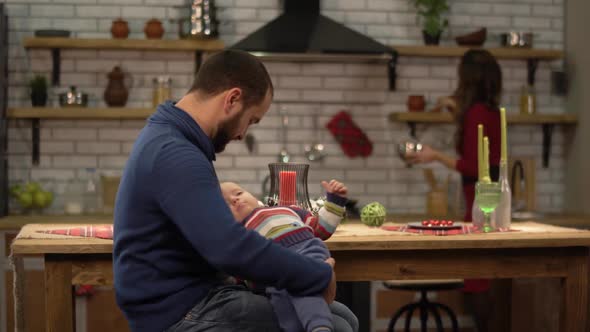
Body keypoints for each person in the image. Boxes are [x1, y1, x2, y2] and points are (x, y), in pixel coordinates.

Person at [113, 50, 349, 332]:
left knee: (345, 317)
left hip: (192, 296)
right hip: (176, 312)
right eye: (251, 120)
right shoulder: (176, 153)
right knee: (336, 324)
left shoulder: (170, 137)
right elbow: (229, 248)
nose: (242, 134)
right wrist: (317, 275)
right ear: (232, 99)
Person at [405, 49, 502, 332]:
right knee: (480, 278)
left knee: (477, 280)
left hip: (480, 199)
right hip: (488, 198)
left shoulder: (476, 114)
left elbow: (473, 166)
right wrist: (456, 112)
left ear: (468, 78)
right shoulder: (488, 111)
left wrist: (435, 155)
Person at [220, 180, 359, 332]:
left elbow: (322, 228)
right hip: (276, 275)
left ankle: (319, 326)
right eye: (225, 204)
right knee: (282, 306)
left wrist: (335, 201)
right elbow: (242, 273)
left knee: (301, 286)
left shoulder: (287, 210)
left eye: (238, 193)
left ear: (254, 196)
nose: (235, 199)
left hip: (308, 252)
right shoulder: (239, 235)